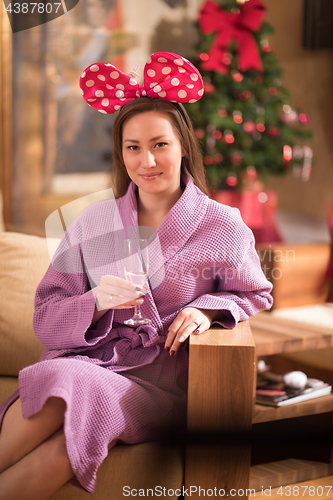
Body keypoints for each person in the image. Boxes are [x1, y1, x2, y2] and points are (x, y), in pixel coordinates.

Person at [0, 52, 273, 499]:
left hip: (157, 385)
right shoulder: (94, 223)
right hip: (89, 364)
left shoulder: (221, 224)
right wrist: (96, 301)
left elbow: (255, 292)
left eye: (160, 144)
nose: (147, 160)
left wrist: (207, 311)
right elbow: (45, 319)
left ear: (183, 144)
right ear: (120, 151)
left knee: (71, 382)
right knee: (61, 428)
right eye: (133, 147)